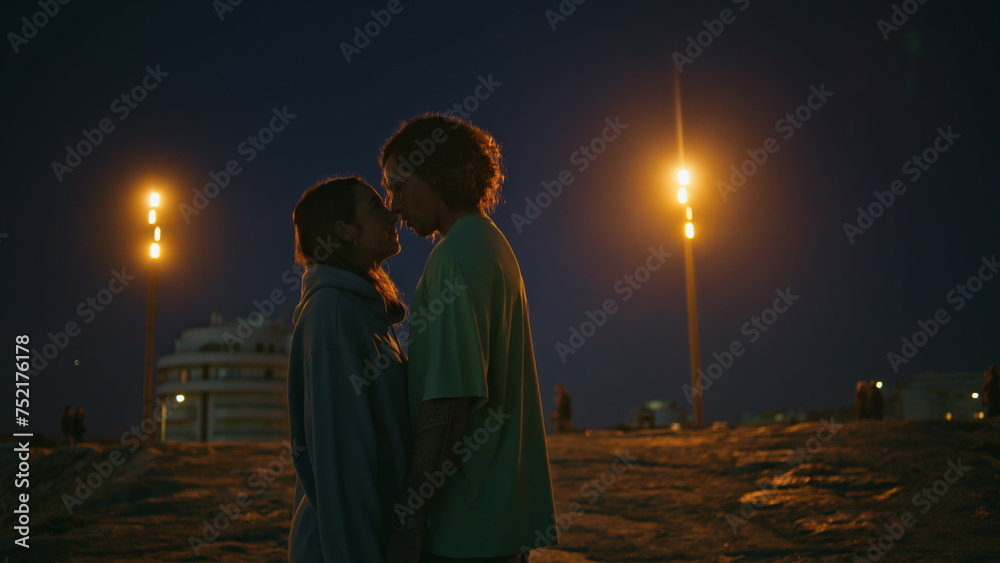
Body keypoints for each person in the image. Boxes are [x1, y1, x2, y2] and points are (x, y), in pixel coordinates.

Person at [380, 113, 556, 562]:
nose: (393, 205)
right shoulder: (491, 244)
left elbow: (448, 402)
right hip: (497, 523)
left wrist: (409, 516)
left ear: (437, 173)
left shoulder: (454, 257)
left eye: (399, 185)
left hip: (463, 530)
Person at [286, 177, 411, 562]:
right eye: (375, 206)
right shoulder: (334, 315)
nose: (394, 213)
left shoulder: (359, 312)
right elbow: (342, 466)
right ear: (344, 230)